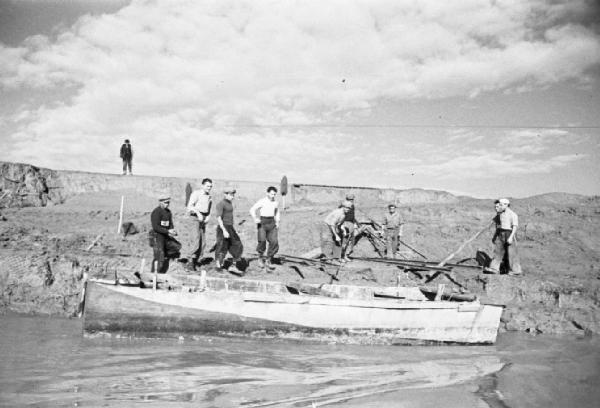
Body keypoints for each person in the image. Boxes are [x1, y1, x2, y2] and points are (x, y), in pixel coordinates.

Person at [486, 198, 523, 276]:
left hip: (509, 233)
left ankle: (515, 270)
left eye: (501, 205)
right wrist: (495, 236)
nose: (499, 206)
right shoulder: (500, 215)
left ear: (506, 205)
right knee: (498, 251)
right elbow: (497, 225)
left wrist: (511, 237)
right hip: (501, 233)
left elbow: (515, 227)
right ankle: (494, 268)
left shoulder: (513, 214)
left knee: (511, 253)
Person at [184, 178, 213, 271]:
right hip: (195, 218)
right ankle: (189, 261)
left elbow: (209, 210)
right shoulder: (196, 194)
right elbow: (190, 206)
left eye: (210, 186)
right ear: (203, 185)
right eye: (207, 186)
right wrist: (198, 213)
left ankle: (196, 260)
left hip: (203, 219)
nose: (209, 188)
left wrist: (208, 217)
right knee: (195, 239)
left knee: (203, 242)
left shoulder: (209, 197)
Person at [249, 186, 280, 270]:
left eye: (274, 194)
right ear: (267, 193)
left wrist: (277, 221)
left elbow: (277, 212)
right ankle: (260, 258)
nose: (273, 196)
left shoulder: (275, 202)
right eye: (271, 194)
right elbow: (252, 209)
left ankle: (269, 259)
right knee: (262, 241)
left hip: (272, 223)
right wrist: (255, 218)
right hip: (262, 223)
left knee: (274, 242)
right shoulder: (262, 201)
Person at [214, 186, 244, 273]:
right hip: (223, 227)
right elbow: (219, 218)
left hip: (230, 227)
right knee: (222, 246)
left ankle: (233, 266)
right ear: (225, 194)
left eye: (233, 194)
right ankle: (218, 266)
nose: (233, 196)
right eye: (231, 194)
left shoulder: (230, 204)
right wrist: (224, 230)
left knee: (238, 245)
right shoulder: (221, 204)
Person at [150, 196, 179, 274]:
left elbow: (170, 224)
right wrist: (167, 231)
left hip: (166, 235)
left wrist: (172, 230)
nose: (167, 204)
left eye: (168, 203)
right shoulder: (156, 212)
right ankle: (154, 274)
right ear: (160, 202)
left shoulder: (168, 212)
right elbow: (155, 227)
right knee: (159, 255)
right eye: (165, 203)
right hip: (157, 235)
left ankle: (166, 266)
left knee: (177, 246)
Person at [341, 194, 360, 260]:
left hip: (351, 223)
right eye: (350, 200)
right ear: (347, 199)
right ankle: (342, 256)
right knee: (345, 240)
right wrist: (342, 224)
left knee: (352, 239)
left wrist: (355, 223)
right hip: (345, 223)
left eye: (352, 200)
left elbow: (353, 215)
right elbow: (340, 215)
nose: (351, 201)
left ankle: (346, 255)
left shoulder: (352, 206)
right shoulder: (343, 205)